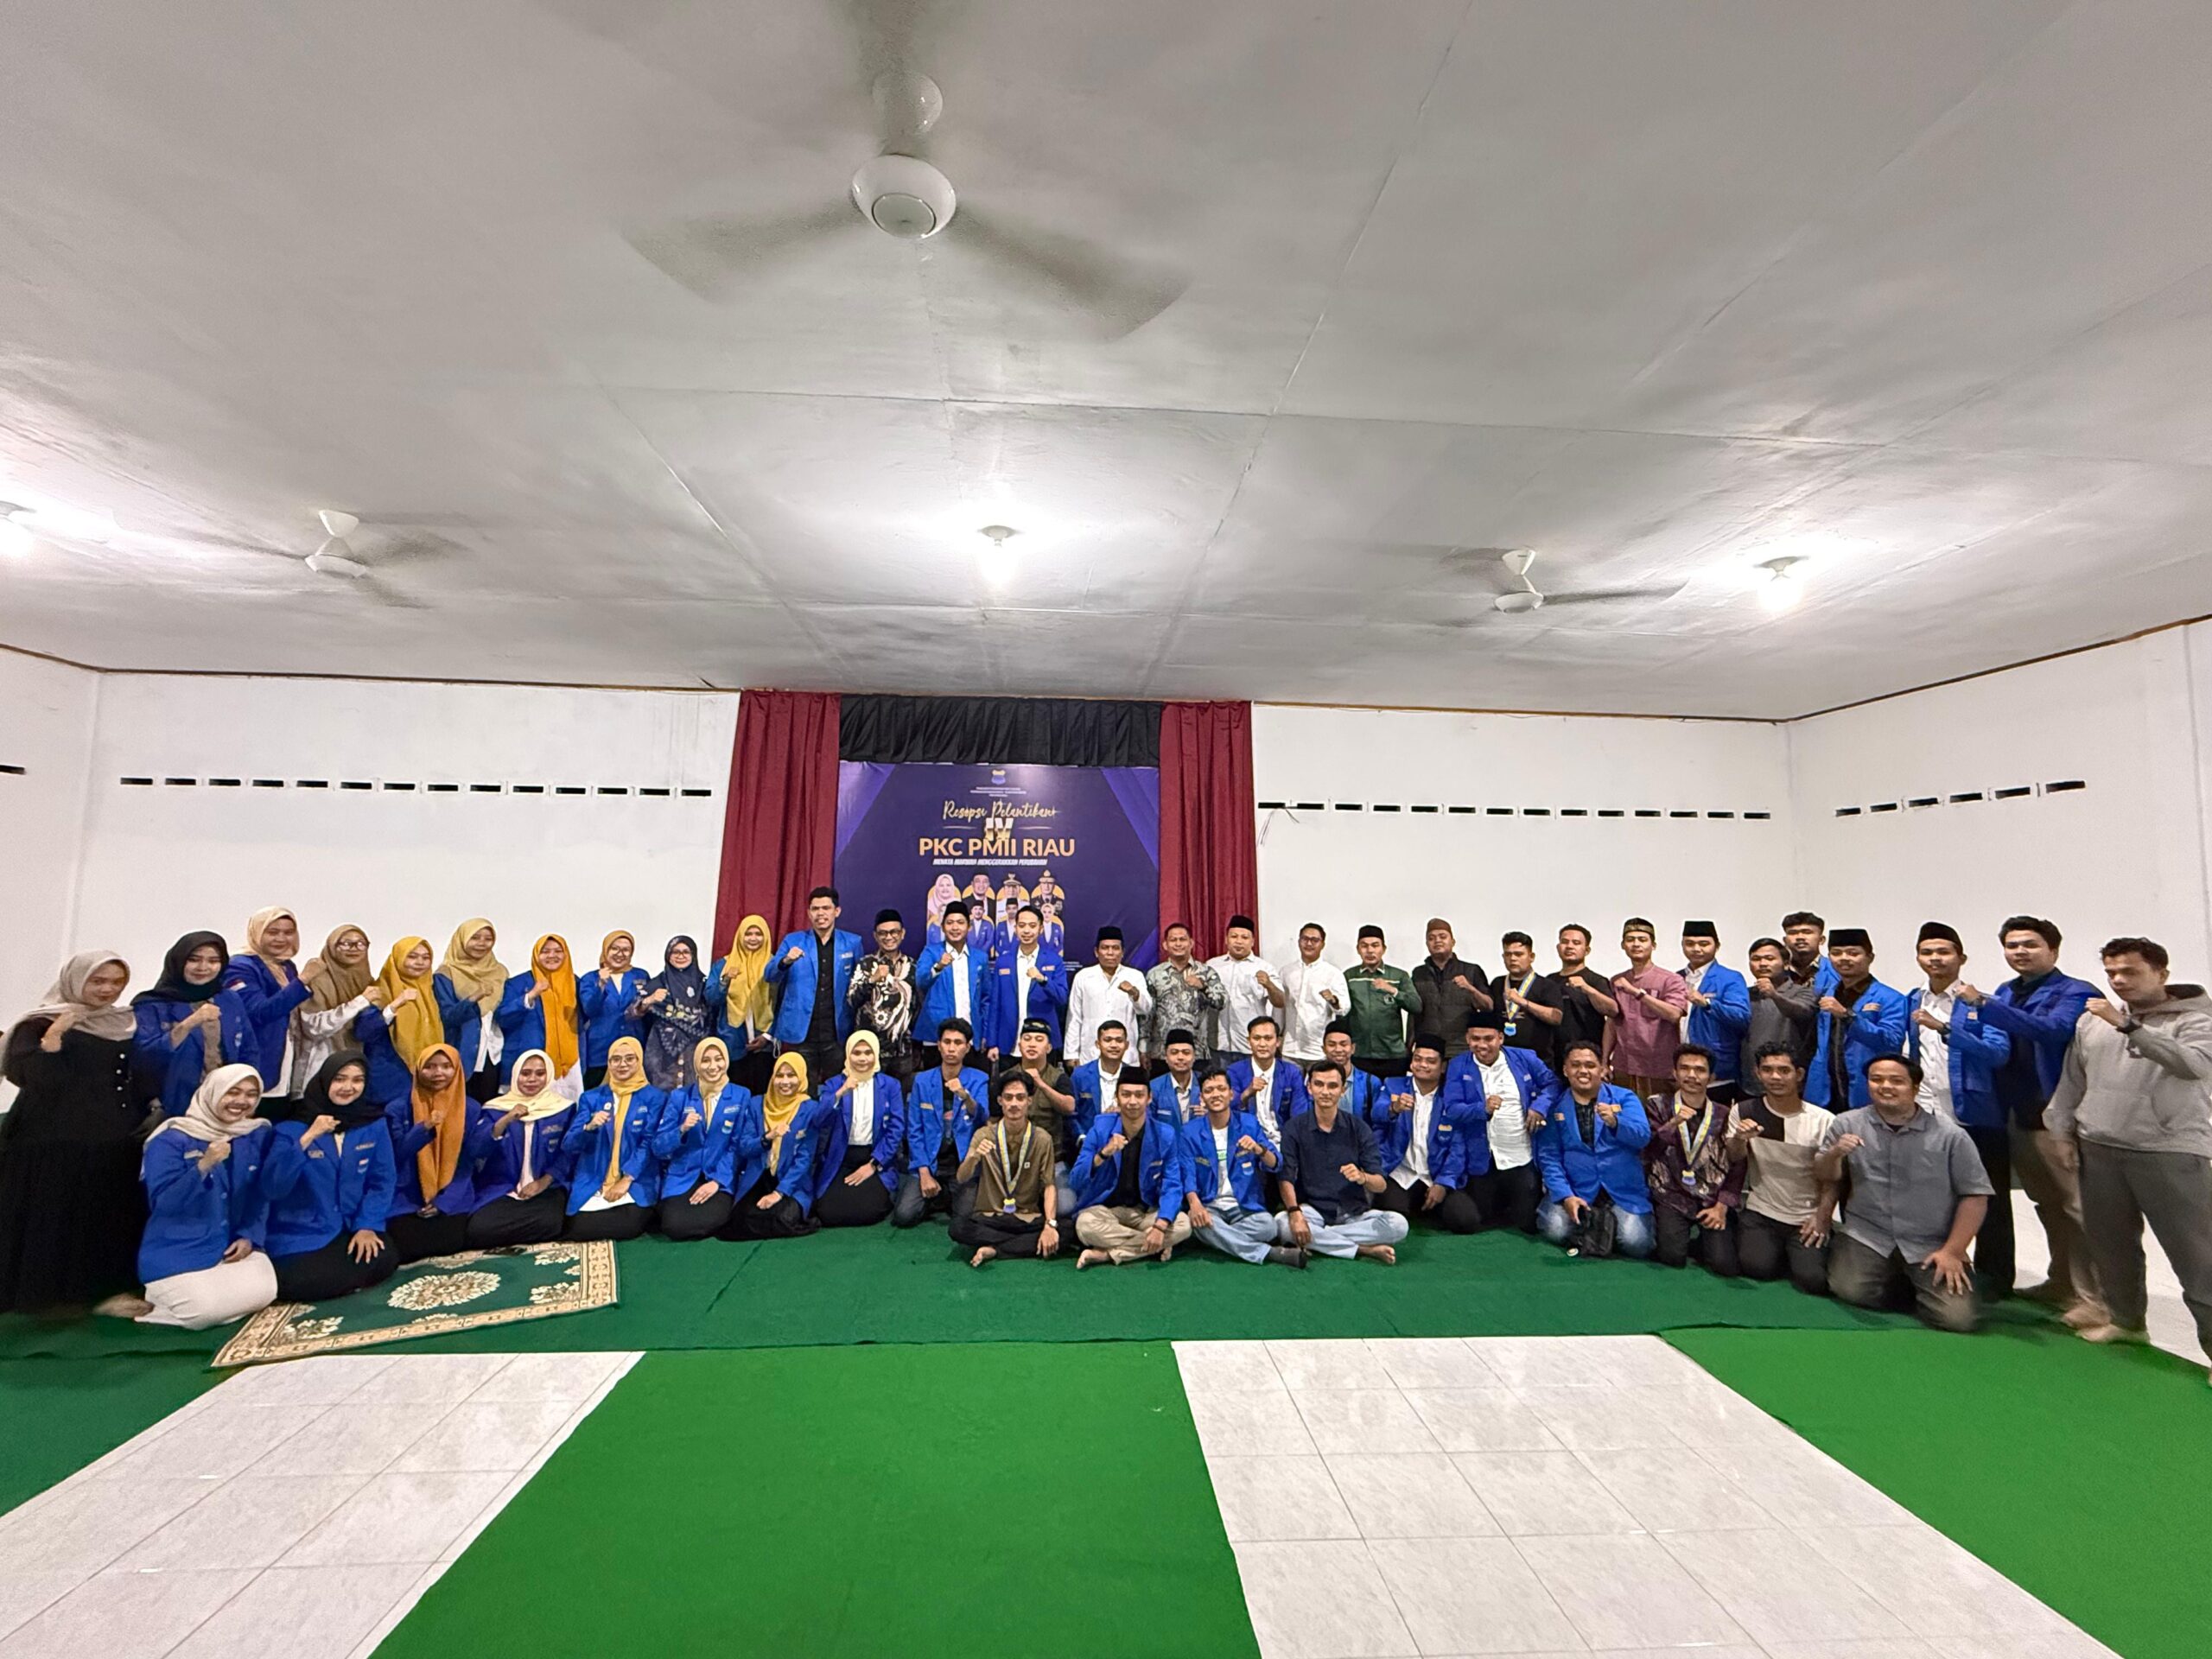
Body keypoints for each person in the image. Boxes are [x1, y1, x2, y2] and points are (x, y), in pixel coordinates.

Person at [2048, 937, 2212, 1368]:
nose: (2119, 980)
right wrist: (2062, 1131)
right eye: (2112, 973)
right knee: (2111, 1246)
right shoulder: (2093, 1021)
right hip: (2099, 1147)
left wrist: (2129, 1027)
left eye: (2130, 972)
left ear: (2162, 973)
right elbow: (2073, 1080)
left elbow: (2194, 1066)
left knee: (2197, 1257)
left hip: (2168, 1151)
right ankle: (2127, 1322)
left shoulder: (2197, 1020)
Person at [1959, 915, 2104, 1324]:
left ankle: (2100, 1299)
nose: (2020, 951)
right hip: (2017, 1113)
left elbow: (2052, 1031)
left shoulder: (2076, 992)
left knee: (2078, 1208)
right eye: (2012, 945)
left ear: (2053, 950)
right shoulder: (2008, 990)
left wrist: (1985, 1006)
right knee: (2048, 1204)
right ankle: (2062, 1282)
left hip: (2056, 1115)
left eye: (2030, 944)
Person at [0, 951, 149, 1317]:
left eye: (116, 982)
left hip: (111, 1141)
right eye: (98, 981)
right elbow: (32, 1079)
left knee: (100, 1218)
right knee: (52, 1218)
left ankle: (96, 1294)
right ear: (76, 979)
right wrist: (54, 1037)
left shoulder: (122, 1021)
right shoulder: (39, 1022)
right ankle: (45, 1297)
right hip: (52, 1142)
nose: (107, 990)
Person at [1816, 1054, 1992, 1333]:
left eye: (1896, 1081)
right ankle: (1905, 1284)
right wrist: (1835, 1153)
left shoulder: (1951, 1136)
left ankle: (1930, 1284)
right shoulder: (1846, 1124)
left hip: (1930, 1241)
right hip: (1868, 1233)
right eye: (1876, 1079)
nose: (1885, 1086)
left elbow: (1975, 1195)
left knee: (1958, 1320)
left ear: (1915, 1087)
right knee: (1850, 1290)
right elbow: (1825, 1175)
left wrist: (1953, 1250)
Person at [1907, 922, 2017, 1300]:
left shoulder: (1982, 1003)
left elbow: (1998, 1053)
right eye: (1927, 952)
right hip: (1926, 1112)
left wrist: (1946, 1030)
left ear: (1961, 958)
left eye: (1944, 952)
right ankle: (1938, 1265)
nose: (1935, 959)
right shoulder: (1912, 999)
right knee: (1932, 1194)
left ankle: (1996, 1279)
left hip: (1975, 1114)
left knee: (1989, 1199)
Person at [137, 1064, 279, 1329]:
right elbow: (165, 1204)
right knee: (204, 1311)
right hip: (181, 1249)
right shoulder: (169, 1139)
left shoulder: (254, 1134)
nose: (242, 1101)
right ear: (213, 1092)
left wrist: (249, 1235)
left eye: (251, 1094)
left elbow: (259, 1195)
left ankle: (197, 1302)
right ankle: (166, 1303)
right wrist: (204, 1165)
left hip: (230, 1247)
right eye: (233, 1092)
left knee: (267, 1290)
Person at [263, 1054, 399, 1302]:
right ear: (324, 1081)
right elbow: (274, 1187)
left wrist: (366, 1225)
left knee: (385, 1256)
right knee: (303, 1279)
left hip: (348, 1226)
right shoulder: (290, 1129)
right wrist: (309, 1138)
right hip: (302, 1233)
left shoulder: (373, 1125)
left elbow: (382, 1181)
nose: (349, 1087)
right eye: (340, 1079)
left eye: (357, 1080)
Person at [1726, 1044, 1836, 1294]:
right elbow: (1734, 1157)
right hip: (1762, 1210)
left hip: (1805, 1215)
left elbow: (1832, 1179)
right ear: (1757, 1073)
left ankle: (1802, 1253)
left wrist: (1822, 1217)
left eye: (1784, 1071)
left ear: (1799, 1074)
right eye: (1767, 1070)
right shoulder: (1743, 1111)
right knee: (1756, 1267)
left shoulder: (1824, 1120)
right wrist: (1739, 1139)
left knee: (1813, 1280)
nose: (1775, 1077)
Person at [1278, 1060, 1409, 1262]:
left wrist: (1363, 1177)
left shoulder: (1359, 1128)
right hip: (1312, 1210)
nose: (1325, 1092)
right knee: (1282, 1223)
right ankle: (1364, 1250)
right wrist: (1295, 1213)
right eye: (1319, 1084)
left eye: (1332, 1086)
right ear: (1309, 1088)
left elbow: (1381, 1184)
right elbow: (1285, 1178)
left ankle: (1318, 1238)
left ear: (1343, 1090)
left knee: (1399, 1225)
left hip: (1353, 1212)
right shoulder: (1294, 1128)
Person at [1534, 1042, 1655, 1257]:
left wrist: (1617, 1122)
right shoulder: (1554, 1107)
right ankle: (1600, 1226)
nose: (1583, 1071)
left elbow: (1643, 1138)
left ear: (1602, 1069)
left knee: (1637, 1244)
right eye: (1575, 1065)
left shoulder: (1625, 1098)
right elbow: (1549, 1156)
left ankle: (1600, 1225)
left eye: (1590, 1065)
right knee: (1554, 1230)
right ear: (1565, 1070)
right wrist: (1566, 1196)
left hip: (1622, 1190)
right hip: (1576, 1189)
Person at [1070, 1069, 1192, 1268]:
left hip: (1145, 1212)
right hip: (1106, 1211)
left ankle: (1109, 1254)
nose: (1132, 1101)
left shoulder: (1164, 1134)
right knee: (1084, 1225)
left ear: (1149, 1098)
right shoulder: (1100, 1129)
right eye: (1126, 1095)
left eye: (1139, 1095)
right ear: (1116, 1098)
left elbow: (1172, 1185)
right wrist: (1103, 1154)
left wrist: (1160, 1227)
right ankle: (1154, 1246)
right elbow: (1075, 1180)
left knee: (1183, 1224)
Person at [1179, 1069, 1300, 1268]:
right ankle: (1268, 1253)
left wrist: (1259, 1149)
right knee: (1199, 1220)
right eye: (1209, 1091)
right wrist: (1195, 1204)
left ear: (1231, 1094)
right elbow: (1188, 1174)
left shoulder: (1248, 1124)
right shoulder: (1190, 1132)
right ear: (1201, 1098)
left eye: (1221, 1089)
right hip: (1210, 1206)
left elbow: (1276, 1163)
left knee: (1269, 1227)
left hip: (1243, 1206)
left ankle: (1217, 1238)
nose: (1216, 1094)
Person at [1642, 1045, 1742, 1274]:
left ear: (1711, 1077)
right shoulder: (1658, 1105)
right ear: (1675, 1073)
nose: (1692, 1075)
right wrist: (1672, 1125)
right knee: (1672, 1256)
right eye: (1685, 1069)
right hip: (1670, 1194)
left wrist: (1722, 1206)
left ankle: (1706, 1238)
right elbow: (1647, 1152)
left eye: (1700, 1070)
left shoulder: (1724, 1114)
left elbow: (1737, 1164)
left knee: (1724, 1264)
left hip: (1710, 1197)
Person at [131, 931, 255, 1119]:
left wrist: (246, 1094)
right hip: (172, 1106)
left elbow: (248, 1049)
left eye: (213, 961)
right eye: (194, 960)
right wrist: (189, 1023)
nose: (203, 967)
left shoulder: (229, 999)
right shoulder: (152, 1004)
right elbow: (144, 1057)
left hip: (224, 1104)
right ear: (179, 961)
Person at [1450, 1011, 1553, 1233]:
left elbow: (1552, 1084)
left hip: (1521, 1154)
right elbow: (1452, 1109)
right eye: (1475, 1039)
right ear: (1467, 1039)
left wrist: (1540, 1107)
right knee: (1481, 1220)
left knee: (1526, 1223)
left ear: (1501, 1038)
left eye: (1488, 1039)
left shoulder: (1525, 1058)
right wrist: (1482, 1109)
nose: (1482, 1045)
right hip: (1482, 1157)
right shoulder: (1458, 1065)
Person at [384, 1043, 486, 1261]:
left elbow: (467, 1163)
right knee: (403, 1245)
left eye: (446, 1066)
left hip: (453, 1195)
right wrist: (424, 1128)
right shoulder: (397, 1108)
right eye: (429, 1067)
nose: (438, 1073)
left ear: (457, 1069)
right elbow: (397, 1156)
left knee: (452, 1241)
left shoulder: (471, 1108)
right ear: (417, 1070)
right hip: (407, 1196)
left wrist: (444, 1202)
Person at [465, 1049, 577, 1248]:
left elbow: (568, 1154)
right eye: (525, 1073)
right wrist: (505, 1120)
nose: (532, 1079)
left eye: (540, 1073)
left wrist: (543, 1182)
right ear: (515, 1075)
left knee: (553, 1222)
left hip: (546, 1188)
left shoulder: (563, 1108)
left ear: (548, 1075)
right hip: (502, 1188)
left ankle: (510, 1235)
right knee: (478, 1228)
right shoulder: (495, 1109)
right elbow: (477, 1150)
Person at [652, 1037, 760, 1241]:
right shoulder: (679, 1097)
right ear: (696, 1064)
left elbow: (736, 1147)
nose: (713, 1066)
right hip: (683, 1175)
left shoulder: (741, 1095)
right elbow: (658, 1147)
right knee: (673, 1226)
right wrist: (681, 1130)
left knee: (714, 1220)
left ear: (726, 1060)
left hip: (719, 1176)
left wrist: (718, 1181)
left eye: (718, 1059)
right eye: (706, 1060)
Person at [1370, 1038, 1480, 1235]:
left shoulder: (1452, 1097)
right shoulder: (1394, 1085)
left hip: (1435, 1175)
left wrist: (1443, 1183)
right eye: (1418, 1059)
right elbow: (1376, 1113)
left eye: (1430, 1061)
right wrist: (1394, 1108)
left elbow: (1458, 1148)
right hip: (1400, 1173)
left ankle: (1431, 1204)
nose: (1422, 1065)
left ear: (1442, 1066)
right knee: (1393, 1216)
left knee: (1466, 1221)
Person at [561, 1034, 665, 1242]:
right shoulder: (591, 1098)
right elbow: (569, 1144)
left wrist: (627, 1179)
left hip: (634, 1178)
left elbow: (648, 1143)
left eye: (629, 1058)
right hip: (595, 1177)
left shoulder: (655, 1098)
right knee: (579, 1228)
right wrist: (588, 1127)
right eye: (615, 1059)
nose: (622, 1064)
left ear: (639, 1060)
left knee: (626, 1227)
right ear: (608, 1064)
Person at [950, 1072, 1063, 1266]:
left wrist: (1049, 1225)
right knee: (958, 1228)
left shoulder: (1042, 1138)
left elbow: (1049, 1185)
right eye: (1008, 1098)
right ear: (1000, 1101)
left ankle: (995, 1249)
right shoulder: (984, 1134)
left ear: (1029, 1101)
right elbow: (961, 1177)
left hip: (1026, 1217)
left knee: (1066, 1230)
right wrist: (973, 1157)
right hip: (991, 1216)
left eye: (1020, 1098)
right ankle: (1018, 1246)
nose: (1014, 1104)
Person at [893, 1019, 989, 1228]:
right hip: (930, 1163)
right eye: (947, 1042)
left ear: (967, 1047)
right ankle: (935, 1193)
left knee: (965, 1220)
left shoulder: (979, 1079)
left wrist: (965, 1096)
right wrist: (924, 1173)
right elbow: (914, 1130)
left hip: (962, 1166)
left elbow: (983, 1119)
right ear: (938, 1046)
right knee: (904, 1216)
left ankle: (944, 1197)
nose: (951, 1048)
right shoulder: (922, 1081)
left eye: (958, 1043)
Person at [721, 1052, 828, 1240]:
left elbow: (804, 1160)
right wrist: (768, 1137)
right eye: (780, 1075)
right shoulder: (756, 1105)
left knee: (782, 1218)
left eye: (791, 1075)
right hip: (759, 1178)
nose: (785, 1081)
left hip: (792, 1182)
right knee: (740, 1218)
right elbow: (744, 1147)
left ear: (801, 1078)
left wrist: (779, 1193)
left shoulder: (810, 1109)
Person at [766, 887, 865, 1084]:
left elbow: (859, 984)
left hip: (837, 1032)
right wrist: (786, 961)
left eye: (826, 908)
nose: (820, 913)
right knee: (802, 1089)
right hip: (801, 1032)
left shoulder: (853, 943)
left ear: (837, 911)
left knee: (837, 1088)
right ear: (809, 913)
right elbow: (770, 975)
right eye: (815, 909)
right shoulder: (793, 941)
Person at [812, 1029, 903, 1228]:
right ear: (848, 1055)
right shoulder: (834, 1084)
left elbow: (896, 1129)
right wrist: (841, 1092)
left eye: (868, 1053)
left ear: (876, 1054)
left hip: (874, 1158)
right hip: (840, 1158)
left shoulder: (890, 1086)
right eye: (857, 1053)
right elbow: (818, 1119)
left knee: (869, 1211)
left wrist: (874, 1164)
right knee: (827, 1212)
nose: (862, 1058)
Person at [222, 906, 312, 1108]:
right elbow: (259, 1012)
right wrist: (304, 980)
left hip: (284, 1065)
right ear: (257, 932)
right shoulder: (240, 966)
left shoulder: (286, 966)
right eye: (272, 932)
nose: (281, 938)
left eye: (288, 932)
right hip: (257, 1065)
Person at [1809, 929, 1906, 1110]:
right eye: (1836, 953)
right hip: (1824, 1089)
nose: (1844, 958)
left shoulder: (1890, 998)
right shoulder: (1825, 994)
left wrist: (1848, 1016)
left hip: (1866, 1088)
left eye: (1853, 953)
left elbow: (1892, 1042)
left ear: (1870, 957)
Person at [354, 938, 446, 1111]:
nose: (420, 962)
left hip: (422, 1079)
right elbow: (363, 1032)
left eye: (425, 957)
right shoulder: (380, 990)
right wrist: (394, 1005)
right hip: (386, 1081)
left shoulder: (430, 992)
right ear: (398, 958)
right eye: (412, 956)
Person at [292, 924, 379, 1097]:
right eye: (346, 943)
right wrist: (359, 1002)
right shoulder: (318, 979)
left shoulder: (367, 981)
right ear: (332, 946)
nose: (354, 949)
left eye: (360, 944)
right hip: (318, 1073)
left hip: (354, 1072)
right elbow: (313, 1027)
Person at [1607, 918, 1689, 1100]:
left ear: (1653, 945)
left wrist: (1637, 993)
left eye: (1642, 939)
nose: (1636, 944)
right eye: (1630, 940)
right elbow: (1612, 1023)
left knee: (1659, 1116)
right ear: (1623, 945)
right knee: (1623, 1114)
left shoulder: (1671, 980)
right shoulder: (1617, 980)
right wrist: (1604, 1060)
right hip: (1624, 1066)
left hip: (1659, 1068)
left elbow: (1674, 1014)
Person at [496, 934, 582, 1097]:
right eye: (545, 951)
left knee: (567, 1109)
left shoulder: (575, 983)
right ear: (536, 954)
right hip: (529, 1065)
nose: (552, 955)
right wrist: (531, 996)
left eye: (558, 951)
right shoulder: (518, 983)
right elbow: (503, 1018)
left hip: (569, 1064)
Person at [433, 919, 507, 1101]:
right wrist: (474, 998)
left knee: (490, 1107)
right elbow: (447, 1017)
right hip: (462, 1052)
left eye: (488, 939)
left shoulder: (500, 972)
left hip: (495, 1053)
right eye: (475, 938)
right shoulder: (446, 973)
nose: (482, 943)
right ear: (462, 939)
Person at [705, 914, 779, 1093]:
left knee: (760, 1096)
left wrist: (768, 1035)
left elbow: (784, 1003)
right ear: (740, 936)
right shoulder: (723, 965)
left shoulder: (774, 966)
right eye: (748, 934)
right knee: (732, 1096)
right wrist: (725, 980)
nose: (753, 938)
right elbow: (711, 999)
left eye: (758, 934)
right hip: (732, 1041)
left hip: (764, 1044)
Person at [984, 905, 1068, 1062]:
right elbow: (995, 1004)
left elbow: (1062, 998)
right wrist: (992, 1043)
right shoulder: (1003, 961)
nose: (1027, 931)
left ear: (1041, 929)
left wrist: (1043, 980)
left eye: (1032, 926)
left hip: (1042, 1041)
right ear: (1015, 929)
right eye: (1022, 926)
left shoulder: (1053, 960)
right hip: (1008, 1042)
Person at [1680, 922, 1751, 1102]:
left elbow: (1742, 1017)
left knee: (1718, 1117)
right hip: (1681, 1071)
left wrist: (1708, 1004)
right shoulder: (1675, 978)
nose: (1696, 949)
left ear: (1717, 946)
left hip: (1718, 1070)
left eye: (1704, 944)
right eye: (1690, 944)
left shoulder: (1730, 978)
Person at [914, 901, 991, 1065]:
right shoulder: (931, 952)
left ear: (969, 926)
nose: (955, 927)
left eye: (960, 922)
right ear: (942, 927)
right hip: (936, 1037)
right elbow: (921, 982)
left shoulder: (980, 957)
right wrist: (939, 966)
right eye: (950, 923)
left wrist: (984, 1032)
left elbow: (986, 998)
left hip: (970, 1037)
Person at [634, 935, 715, 1090]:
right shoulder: (657, 984)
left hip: (696, 1048)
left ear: (693, 955)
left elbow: (712, 1014)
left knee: (694, 1092)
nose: (680, 956)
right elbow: (631, 1013)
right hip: (662, 1050)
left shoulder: (704, 984)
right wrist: (649, 1000)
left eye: (686, 952)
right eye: (675, 952)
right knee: (662, 1093)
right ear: (668, 955)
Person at [847, 910, 918, 1083]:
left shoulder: (913, 966)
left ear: (902, 934)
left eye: (894, 932)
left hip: (902, 1051)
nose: (889, 937)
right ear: (875, 936)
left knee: (899, 1097)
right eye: (883, 933)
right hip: (869, 1052)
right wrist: (872, 980)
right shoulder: (866, 964)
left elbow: (917, 1006)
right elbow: (852, 1001)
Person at [1065, 925, 1152, 1067]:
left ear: (1122, 952)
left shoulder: (1134, 976)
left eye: (1115, 948)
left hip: (1126, 1054)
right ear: (1096, 952)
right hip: (1091, 1053)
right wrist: (1071, 1054)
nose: (1110, 953)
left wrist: (1134, 993)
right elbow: (1075, 1017)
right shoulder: (1083, 976)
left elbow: (1145, 1009)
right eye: (1105, 948)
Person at [1345, 925, 1421, 1079]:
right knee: (1362, 1095)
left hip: (1392, 1054)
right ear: (1358, 949)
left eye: (1375, 945)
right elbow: (1342, 1012)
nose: (1370, 951)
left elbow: (1416, 1006)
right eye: (1364, 946)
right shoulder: (1349, 976)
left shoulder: (1398, 976)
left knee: (1394, 1094)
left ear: (1383, 949)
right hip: (1360, 1053)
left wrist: (1393, 990)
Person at [1743, 936, 1818, 1090]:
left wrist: (1774, 995)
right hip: (1749, 1080)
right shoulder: (1744, 995)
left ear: (1786, 964)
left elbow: (1802, 1012)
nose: (1762, 964)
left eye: (1769, 958)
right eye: (1756, 959)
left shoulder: (1803, 992)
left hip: (1789, 1081)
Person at [1411, 918, 1492, 1058]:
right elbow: (1413, 1013)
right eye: (1431, 938)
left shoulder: (1471, 970)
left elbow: (1489, 1006)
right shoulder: (1419, 973)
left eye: (1442, 936)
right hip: (1429, 1049)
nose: (1437, 941)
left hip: (1461, 1047)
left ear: (1453, 942)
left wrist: (1471, 989)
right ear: (1427, 944)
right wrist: (1409, 1045)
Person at [1224, 1014, 1310, 1147]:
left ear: (1278, 1042)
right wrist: (1247, 1093)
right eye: (1256, 1038)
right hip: (1247, 1140)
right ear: (1249, 1041)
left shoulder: (1291, 1072)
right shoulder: (1234, 1071)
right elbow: (1227, 1110)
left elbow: (1299, 1114)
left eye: (1268, 1038)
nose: (1262, 1044)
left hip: (1284, 1139)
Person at [1146, 924, 1225, 1065]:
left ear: (1191, 943)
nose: (1178, 944)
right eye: (1173, 940)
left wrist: (1203, 987)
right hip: (1162, 1053)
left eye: (1182, 939)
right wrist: (1143, 1047)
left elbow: (1221, 1002)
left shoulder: (1206, 972)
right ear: (1165, 945)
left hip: (1198, 1052)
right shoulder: (1155, 974)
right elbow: (1147, 1015)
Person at [580, 931, 651, 1089]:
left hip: (634, 1049)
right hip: (600, 1052)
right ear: (606, 950)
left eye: (626, 950)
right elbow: (589, 1010)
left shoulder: (640, 975)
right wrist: (601, 985)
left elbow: (647, 1011)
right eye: (615, 949)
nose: (620, 954)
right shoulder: (590, 978)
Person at [1208, 914, 1285, 1058]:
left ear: (1253, 941)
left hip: (1250, 1046)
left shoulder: (1264, 967)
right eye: (1234, 936)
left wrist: (1269, 985)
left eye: (1244, 937)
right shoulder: (1212, 966)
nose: (1239, 941)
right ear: (1226, 939)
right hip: (1218, 1043)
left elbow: (1280, 1002)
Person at [1280, 922, 1349, 1068]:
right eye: (1305, 939)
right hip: (1290, 1048)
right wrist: (1277, 1035)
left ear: (1322, 944)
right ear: (1299, 941)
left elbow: (1344, 1008)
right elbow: (1279, 1008)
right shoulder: (1286, 971)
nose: (1309, 944)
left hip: (1318, 1049)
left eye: (1314, 940)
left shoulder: (1333, 974)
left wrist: (1333, 1000)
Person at [1492, 931, 1565, 1070]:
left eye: (1519, 954)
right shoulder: (1497, 983)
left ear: (1531, 957)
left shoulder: (1546, 985)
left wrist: (1523, 1002)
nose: (1513, 959)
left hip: (1539, 1059)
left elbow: (1556, 1017)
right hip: (1503, 1059)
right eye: (1508, 954)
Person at [1552, 925, 1617, 1065]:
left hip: (1588, 1057)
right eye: (1565, 942)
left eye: (1576, 943)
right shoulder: (1549, 981)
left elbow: (1613, 1010)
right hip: (1554, 1056)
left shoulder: (1596, 980)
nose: (1569, 946)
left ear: (1587, 950)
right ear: (1558, 947)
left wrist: (1586, 988)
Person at [1070, 1018, 1136, 1141]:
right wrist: (1083, 1138)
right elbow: (1071, 1114)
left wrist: (1124, 1111)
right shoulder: (1080, 1075)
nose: (1114, 1045)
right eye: (1108, 1040)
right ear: (1098, 1044)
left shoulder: (1134, 1076)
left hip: (1126, 1141)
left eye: (1119, 1040)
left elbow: (1144, 1112)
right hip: (1088, 1140)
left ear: (1126, 1045)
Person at [1147, 1029, 1205, 1134]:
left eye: (1186, 1053)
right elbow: (1149, 1127)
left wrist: (1212, 1116)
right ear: (1166, 1057)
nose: (1180, 1057)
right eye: (1174, 1052)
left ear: (1194, 1057)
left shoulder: (1205, 1084)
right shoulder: (1154, 1088)